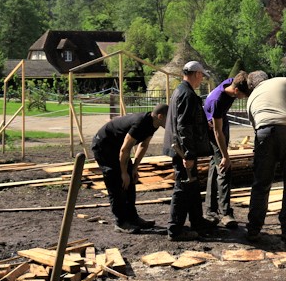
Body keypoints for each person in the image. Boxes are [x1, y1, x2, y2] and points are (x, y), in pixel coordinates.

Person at [245, 75, 286, 248]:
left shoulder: (251, 98)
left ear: (252, 85)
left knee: (261, 183)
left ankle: (253, 230)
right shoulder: (285, 81)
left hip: (264, 134)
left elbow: (255, 126)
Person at [91, 104, 168, 233]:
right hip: (104, 146)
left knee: (131, 180)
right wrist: (123, 173)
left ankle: (132, 218)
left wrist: (134, 169)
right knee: (116, 181)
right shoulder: (140, 123)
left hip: (118, 147)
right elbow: (125, 149)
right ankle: (121, 222)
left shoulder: (153, 124)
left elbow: (143, 145)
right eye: (169, 118)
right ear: (160, 116)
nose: (171, 121)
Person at [166, 61, 217, 241]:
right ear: (196, 74)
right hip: (182, 151)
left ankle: (197, 222)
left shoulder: (181, 91)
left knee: (192, 187)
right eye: (201, 75)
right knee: (182, 188)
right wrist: (188, 154)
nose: (202, 79)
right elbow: (184, 126)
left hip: (182, 148)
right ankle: (175, 229)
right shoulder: (187, 94)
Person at [203, 70, 251, 229]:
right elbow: (217, 132)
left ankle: (210, 210)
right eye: (244, 95)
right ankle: (225, 213)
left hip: (221, 120)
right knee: (224, 168)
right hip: (213, 128)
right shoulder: (218, 101)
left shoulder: (233, 82)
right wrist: (225, 156)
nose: (244, 97)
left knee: (214, 166)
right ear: (236, 90)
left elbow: (242, 74)